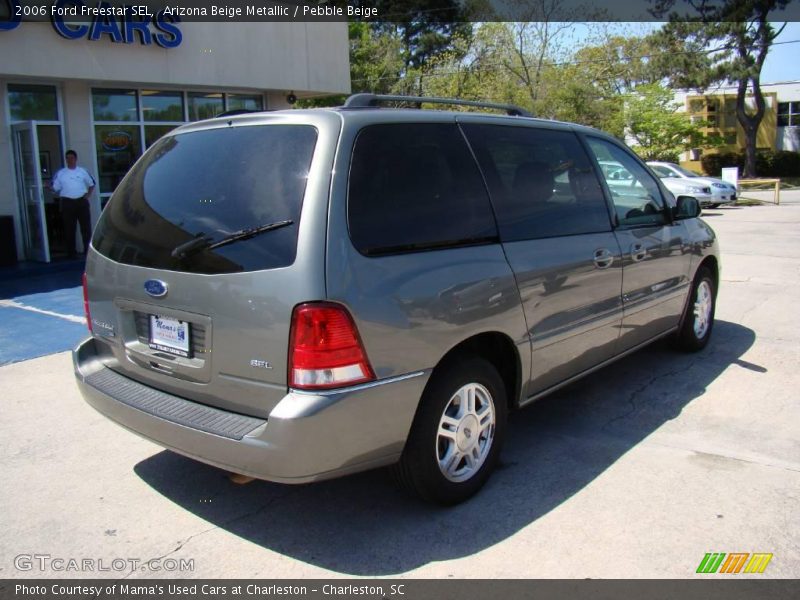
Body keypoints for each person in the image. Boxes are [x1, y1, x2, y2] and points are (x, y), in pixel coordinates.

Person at [51, 149, 95, 259]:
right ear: (65, 160)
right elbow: (55, 188)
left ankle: (87, 252)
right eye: (68, 158)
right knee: (69, 228)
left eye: (72, 158)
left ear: (76, 159)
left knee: (86, 228)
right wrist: (47, 187)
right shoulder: (61, 173)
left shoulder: (83, 171)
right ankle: (71, 253)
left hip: (81, 202)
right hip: (67, 202)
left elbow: (92, 184)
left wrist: (88, 195)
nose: (70, 160)